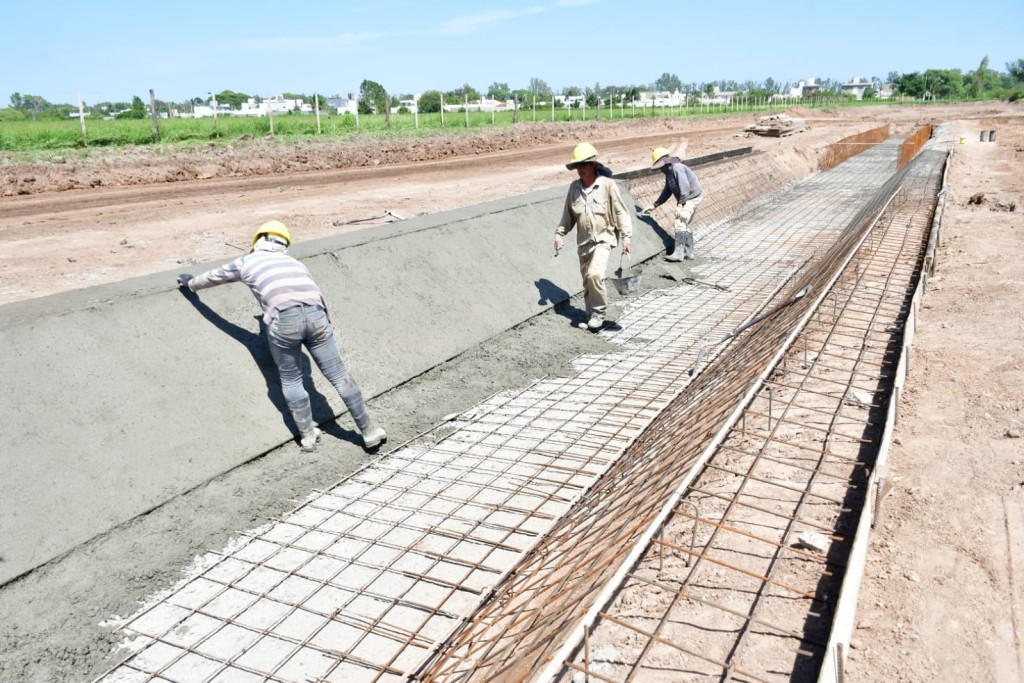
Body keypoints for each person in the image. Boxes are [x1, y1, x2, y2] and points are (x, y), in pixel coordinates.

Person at [176, 220, 387, 452]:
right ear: (284, 244)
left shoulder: (247, 261)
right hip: (318, 317)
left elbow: (214, 277)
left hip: (284, 321)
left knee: (292, 380)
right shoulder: (294, 262)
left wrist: (191, 284)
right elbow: (318, 295)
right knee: (339, 375)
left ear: (259, 239)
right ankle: (368, 431)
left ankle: (308, 437)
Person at [554, 142, 633, 331]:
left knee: (595, 274)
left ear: (593, 165)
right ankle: (591, 318)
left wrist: (626, 236)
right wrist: (559, 234)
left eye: (582, 165)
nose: (579, 170)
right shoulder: (574, 189)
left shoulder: (607, 185)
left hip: (603, 239)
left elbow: (621, 212)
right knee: (587, 282)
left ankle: (598, 314)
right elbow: (568, 216)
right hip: (583, 243)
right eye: (577, 166)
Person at [642, 147, 703, 261]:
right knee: (685, 224)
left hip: (691, 197)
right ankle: (689, 253)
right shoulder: (669, 173)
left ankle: (679, 254)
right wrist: (654, 205)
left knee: (679, 222)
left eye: (661, 167)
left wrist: (680, 206)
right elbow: (667, 191)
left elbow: (685, 188)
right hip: (687, 198)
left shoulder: (677, 168)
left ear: (666, 163)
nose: (660, 170)